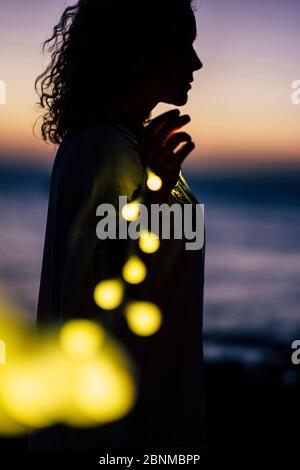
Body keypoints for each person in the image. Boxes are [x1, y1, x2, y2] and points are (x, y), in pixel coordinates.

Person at [30, 0, 205, 451]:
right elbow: (98, 295)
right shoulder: (105, 151)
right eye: (182, 45)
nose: (196, 62)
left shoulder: (121, 146)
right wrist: (159, 193)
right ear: (142, 48)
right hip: (128, 430)